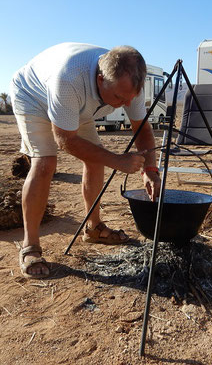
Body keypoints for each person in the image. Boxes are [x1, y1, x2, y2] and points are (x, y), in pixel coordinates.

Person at [10, 43, 162, 278]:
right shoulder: (69, 79)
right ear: (101, 79)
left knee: (95, 159)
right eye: (120, 98)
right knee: (45, 162)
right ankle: (30, 245)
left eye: (131, 98)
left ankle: (93, 228)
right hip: (33, 96)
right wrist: (117, 161)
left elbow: (142, 129)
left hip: (80, 106)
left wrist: (150, 170)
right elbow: (64, 140)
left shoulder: (130, 84)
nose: (127, 104)